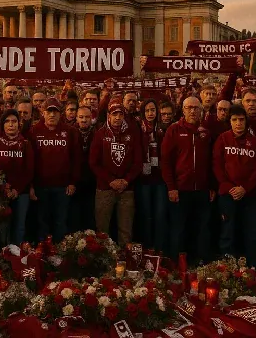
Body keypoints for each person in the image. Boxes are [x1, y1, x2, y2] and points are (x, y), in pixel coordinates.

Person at [160, 96, 213, 263]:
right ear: (182, 110)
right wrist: (171, 187)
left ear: (201, 111)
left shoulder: (206, 132)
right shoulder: (174, 130)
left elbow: (212, 161)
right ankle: (177, 262)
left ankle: (200, 262)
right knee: (179, 228)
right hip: (180, 188)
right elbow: (166, 161)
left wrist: (212, 186)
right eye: (189, 108)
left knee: (201, 228)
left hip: (202, 189)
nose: (192, 111)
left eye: (196, 108)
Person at [212, 105, 256, 268]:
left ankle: (252, 266)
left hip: (250, 194)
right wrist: (229, 187)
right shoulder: (222, 139)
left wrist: (244, 188)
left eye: (241, 120)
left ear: (246, 122)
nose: (238, 123)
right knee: (228, 231)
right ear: (230, 122)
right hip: (227, 193)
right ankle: (227, 267)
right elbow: (217, 165)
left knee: (252, 232)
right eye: (234, 120)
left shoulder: (254, 142)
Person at [90, 100, 143, 246]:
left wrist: (126, 180)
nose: (118, 117)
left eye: (121, 114)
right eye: (114, 114)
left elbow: (138, 162)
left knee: (125, 230)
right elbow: (94, 162)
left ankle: (125, 261)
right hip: (105, 188)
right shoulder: (100, 133)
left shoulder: (132, 134)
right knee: (102, 229)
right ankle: (103, 260)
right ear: (108, 115)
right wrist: (110, 180)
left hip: (127, 189)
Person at [30, 98, 81, 242]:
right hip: (41, 186)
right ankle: (42, 252)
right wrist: (31, 185)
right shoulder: (34, 131)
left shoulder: (70, 132)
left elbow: (76, 159)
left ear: (60, 114)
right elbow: (30, 160)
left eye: (55, 111)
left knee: (61, 222)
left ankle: (59, 253)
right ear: (43, 113)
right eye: (49, 111)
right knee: (42, 222)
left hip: (63, 187)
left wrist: (73, 182)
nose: (52, 115)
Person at [0, 110, 34, 245]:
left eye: (14, 121)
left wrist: (16, 189)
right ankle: (2, 257)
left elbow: (29, 170)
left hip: (21, 192)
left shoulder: (25, 143)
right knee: (2, 226)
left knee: (19, 226)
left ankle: (17, 256)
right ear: (2, 125)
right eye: (7, 121)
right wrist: (3, 188)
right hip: (0, 192)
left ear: (19, 124)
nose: (11, 124)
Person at [136, 99, 167, 252]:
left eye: (153, 110)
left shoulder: (163, 128)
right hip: (143, 179)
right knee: (146, 215)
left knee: (160, 215)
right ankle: (147, 248)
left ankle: (160, 247)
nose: (150, 113)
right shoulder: (138, 128)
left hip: (160, 178)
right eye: (147, 110)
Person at [70, 105, 97, 233]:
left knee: (90, 215)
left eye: (87, 117)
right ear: (76, 118)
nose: (84, 120)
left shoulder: (97, 133)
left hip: (93, 182)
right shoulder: (70, 133)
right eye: (81, 117)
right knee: (74, 217)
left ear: (92, 118)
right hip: (74, 182)